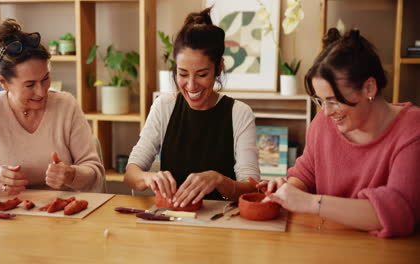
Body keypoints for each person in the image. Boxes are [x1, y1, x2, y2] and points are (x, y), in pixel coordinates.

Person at [257, 28, 420, 238]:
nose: (326, 112)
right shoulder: (323, 124)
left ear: (369, 88)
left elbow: (399, 213)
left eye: (333, 101)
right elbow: (305, 174)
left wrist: (309, 202)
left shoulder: (412, 130)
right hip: (329, 244)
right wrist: (287, 190)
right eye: (321, 101)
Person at [124, 8, 259, 207]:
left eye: (202, 74)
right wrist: (148, 178)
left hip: (223, 224)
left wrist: (220, 180)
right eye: (183, 74)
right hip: (173, 218)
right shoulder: (164, 106)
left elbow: (253, 187)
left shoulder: (239, 113)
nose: (191, 85)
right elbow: (130, 174)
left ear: (219, 68)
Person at [0, 19, 105, 194]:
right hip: (2, 217)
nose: (41, 92)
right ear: (3, 82)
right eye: (30, 85)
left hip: (64, 216)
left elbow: (95, 173)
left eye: (45, 79)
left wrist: (72, 175)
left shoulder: (66, 106)